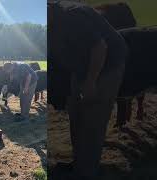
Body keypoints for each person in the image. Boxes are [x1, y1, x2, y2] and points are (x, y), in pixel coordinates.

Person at [48, 1, 127, 179]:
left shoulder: (73, 16)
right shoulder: (51, 24)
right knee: (76, 116)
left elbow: (100, 47)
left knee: (93, 121)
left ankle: (87, 172)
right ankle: (79, 163)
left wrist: (91, 82)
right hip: (81, 68)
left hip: (105, 67)